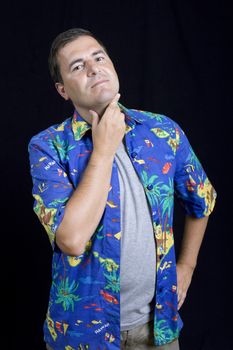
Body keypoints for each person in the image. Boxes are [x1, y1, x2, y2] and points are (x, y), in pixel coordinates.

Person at [28, 28, 217, 350]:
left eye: (98, 58)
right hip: (82, 333)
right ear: (63, 90)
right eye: (77, 66)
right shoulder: (48, 146)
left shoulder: (163, 131)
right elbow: (71, 240)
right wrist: (102, 149)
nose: (93, 68)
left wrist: (187, 266)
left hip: (159, 328)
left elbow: (202, 198)